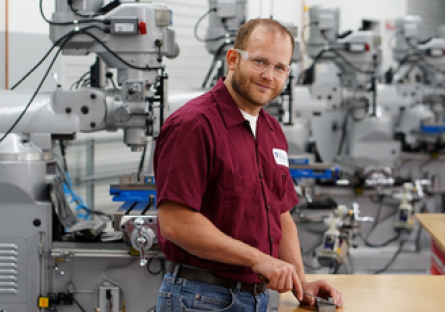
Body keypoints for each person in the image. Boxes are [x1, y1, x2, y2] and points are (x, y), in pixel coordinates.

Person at [154, 18, 344, 312]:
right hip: (200, 299)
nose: (269, 75)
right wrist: (258, 259)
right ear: (233, 59)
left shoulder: (272, 131)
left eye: (280, 67)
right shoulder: (194, 124)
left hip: (256, 299)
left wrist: (300, 283)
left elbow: (281, 215)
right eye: (260, 62)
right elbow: (175, 223)